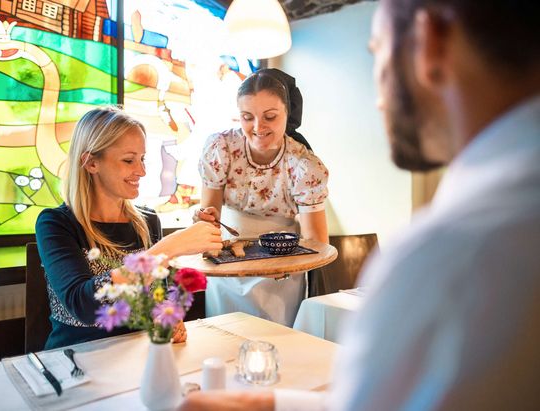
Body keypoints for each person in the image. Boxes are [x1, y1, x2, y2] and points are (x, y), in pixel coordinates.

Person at [177, 0, 540, 409]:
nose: (378, 100)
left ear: (430, 43)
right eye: (247, 118)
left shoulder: (446, 254)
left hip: (281, 270)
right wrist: (273, 403)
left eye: (377, 53)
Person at [35, 106, 222, 350]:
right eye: (128, 160)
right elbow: (84, 305)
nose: (142, 171)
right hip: (77, 360)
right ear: (91, 163)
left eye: (142, 159)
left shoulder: (147, 221)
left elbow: (159, 295)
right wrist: (169, 248)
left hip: (138, 353)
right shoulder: (55, 224)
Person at [196, 68, 329, 327]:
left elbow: (317, 243)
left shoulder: (304, 166)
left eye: (270, 116)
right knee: (225, 340)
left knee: (278, 347)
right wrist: (204, 222)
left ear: (286, 114)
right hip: (228, 267)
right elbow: (210, 221)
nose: (258, 128)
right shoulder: (221, 148)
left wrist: (282, 267)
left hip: (282, 272)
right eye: (247, 117)